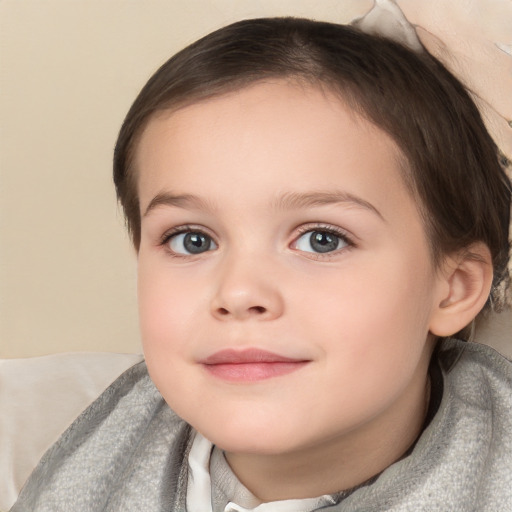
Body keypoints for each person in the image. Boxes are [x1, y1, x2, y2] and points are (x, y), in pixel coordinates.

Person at [11, 16, 512, 512]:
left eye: (321, 240)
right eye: (191, 240)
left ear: (454, 288)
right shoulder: (93, 465)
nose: (238, 292)